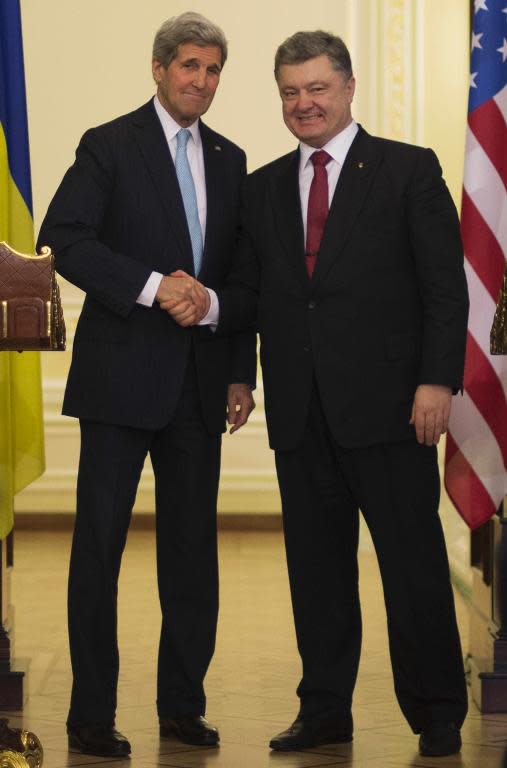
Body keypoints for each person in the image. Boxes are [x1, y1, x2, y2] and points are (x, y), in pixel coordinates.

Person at [226, 30, 469, 758]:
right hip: (301, 411)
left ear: (348, 86)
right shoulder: (261, 186)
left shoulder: (406, 169)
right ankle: (324, 710)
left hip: (393, 406)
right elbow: (251, 291)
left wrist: (434, 380)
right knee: (317, 574)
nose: (303, 104)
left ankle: (435, 713)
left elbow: (441, 287)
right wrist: (240, 373)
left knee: (412, 565)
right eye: (290, 93)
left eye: (316, 88)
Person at [37, 12, 256, 759]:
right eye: (190, 66)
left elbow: (237, 276)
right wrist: (153, 285)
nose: (202, 80)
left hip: (200, 389)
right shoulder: (109, 144)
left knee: (192, 554)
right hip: (118, 384)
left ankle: (181, 709)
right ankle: (90, 716)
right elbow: (63, 239)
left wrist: (238, 372)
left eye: (214, 69)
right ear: (159, 69)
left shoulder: (231, 158)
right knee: (97, 550)